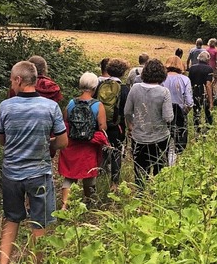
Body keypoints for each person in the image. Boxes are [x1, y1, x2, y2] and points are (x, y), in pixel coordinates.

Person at [0, 61, 68, 264]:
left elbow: (3, 141)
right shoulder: (51, 107)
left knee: (11, 220)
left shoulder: (5, 106)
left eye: (11, 80)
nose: (11, 85)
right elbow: (63, 142)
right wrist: (47, 143)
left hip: (11, 173)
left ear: (19, 79)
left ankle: (3, 262)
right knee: (39, 224)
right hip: (39, 174)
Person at [58, 72, 109, 210]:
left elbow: (65, 122)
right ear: (95, 86)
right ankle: (90, 201)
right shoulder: (97, 105)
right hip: (89, 145)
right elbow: (102, 127)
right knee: (89, 173)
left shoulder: (71, 103)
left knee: (70, 175)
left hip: (72, 144)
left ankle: (65, 205)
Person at [124, 59, 173, 188]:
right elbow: (168, 117)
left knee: (140, 171)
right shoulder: (164, 92)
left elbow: (127, 111)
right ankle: (156, 195)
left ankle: (140, 197)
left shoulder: (135, 88)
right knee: (160, 170)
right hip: (160, 137)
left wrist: (131, 126)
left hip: (139, 137)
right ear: (162, 74)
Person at [94, 58, 131, 192]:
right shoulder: (124, 88)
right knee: (116, 152)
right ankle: (114, 184)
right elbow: (127, 110)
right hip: (117, 125)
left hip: (100, 124)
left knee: (102, 150)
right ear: (123, 72)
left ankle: (100, 176)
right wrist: (129, 126)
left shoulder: (99, 86)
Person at [162, 55, 193, 166]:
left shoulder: (162, 78)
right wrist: (184, 112)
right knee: (178, 142)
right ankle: (174, 163)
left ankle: (164, 163)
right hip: (179, 112)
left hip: (162, 113)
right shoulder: (185, 79)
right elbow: (189, 102)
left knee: (163, 141)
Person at [187, 51, 214, 135]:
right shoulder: (209, 69)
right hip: (204, 93)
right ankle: (207, 130)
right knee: (208, 113)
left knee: (196, 113)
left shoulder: (192, 68)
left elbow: (189, 83)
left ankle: (197, 130)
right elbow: (208, 85)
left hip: (195, 93)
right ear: (208, 59)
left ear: (198, 58)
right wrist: (211, 100)